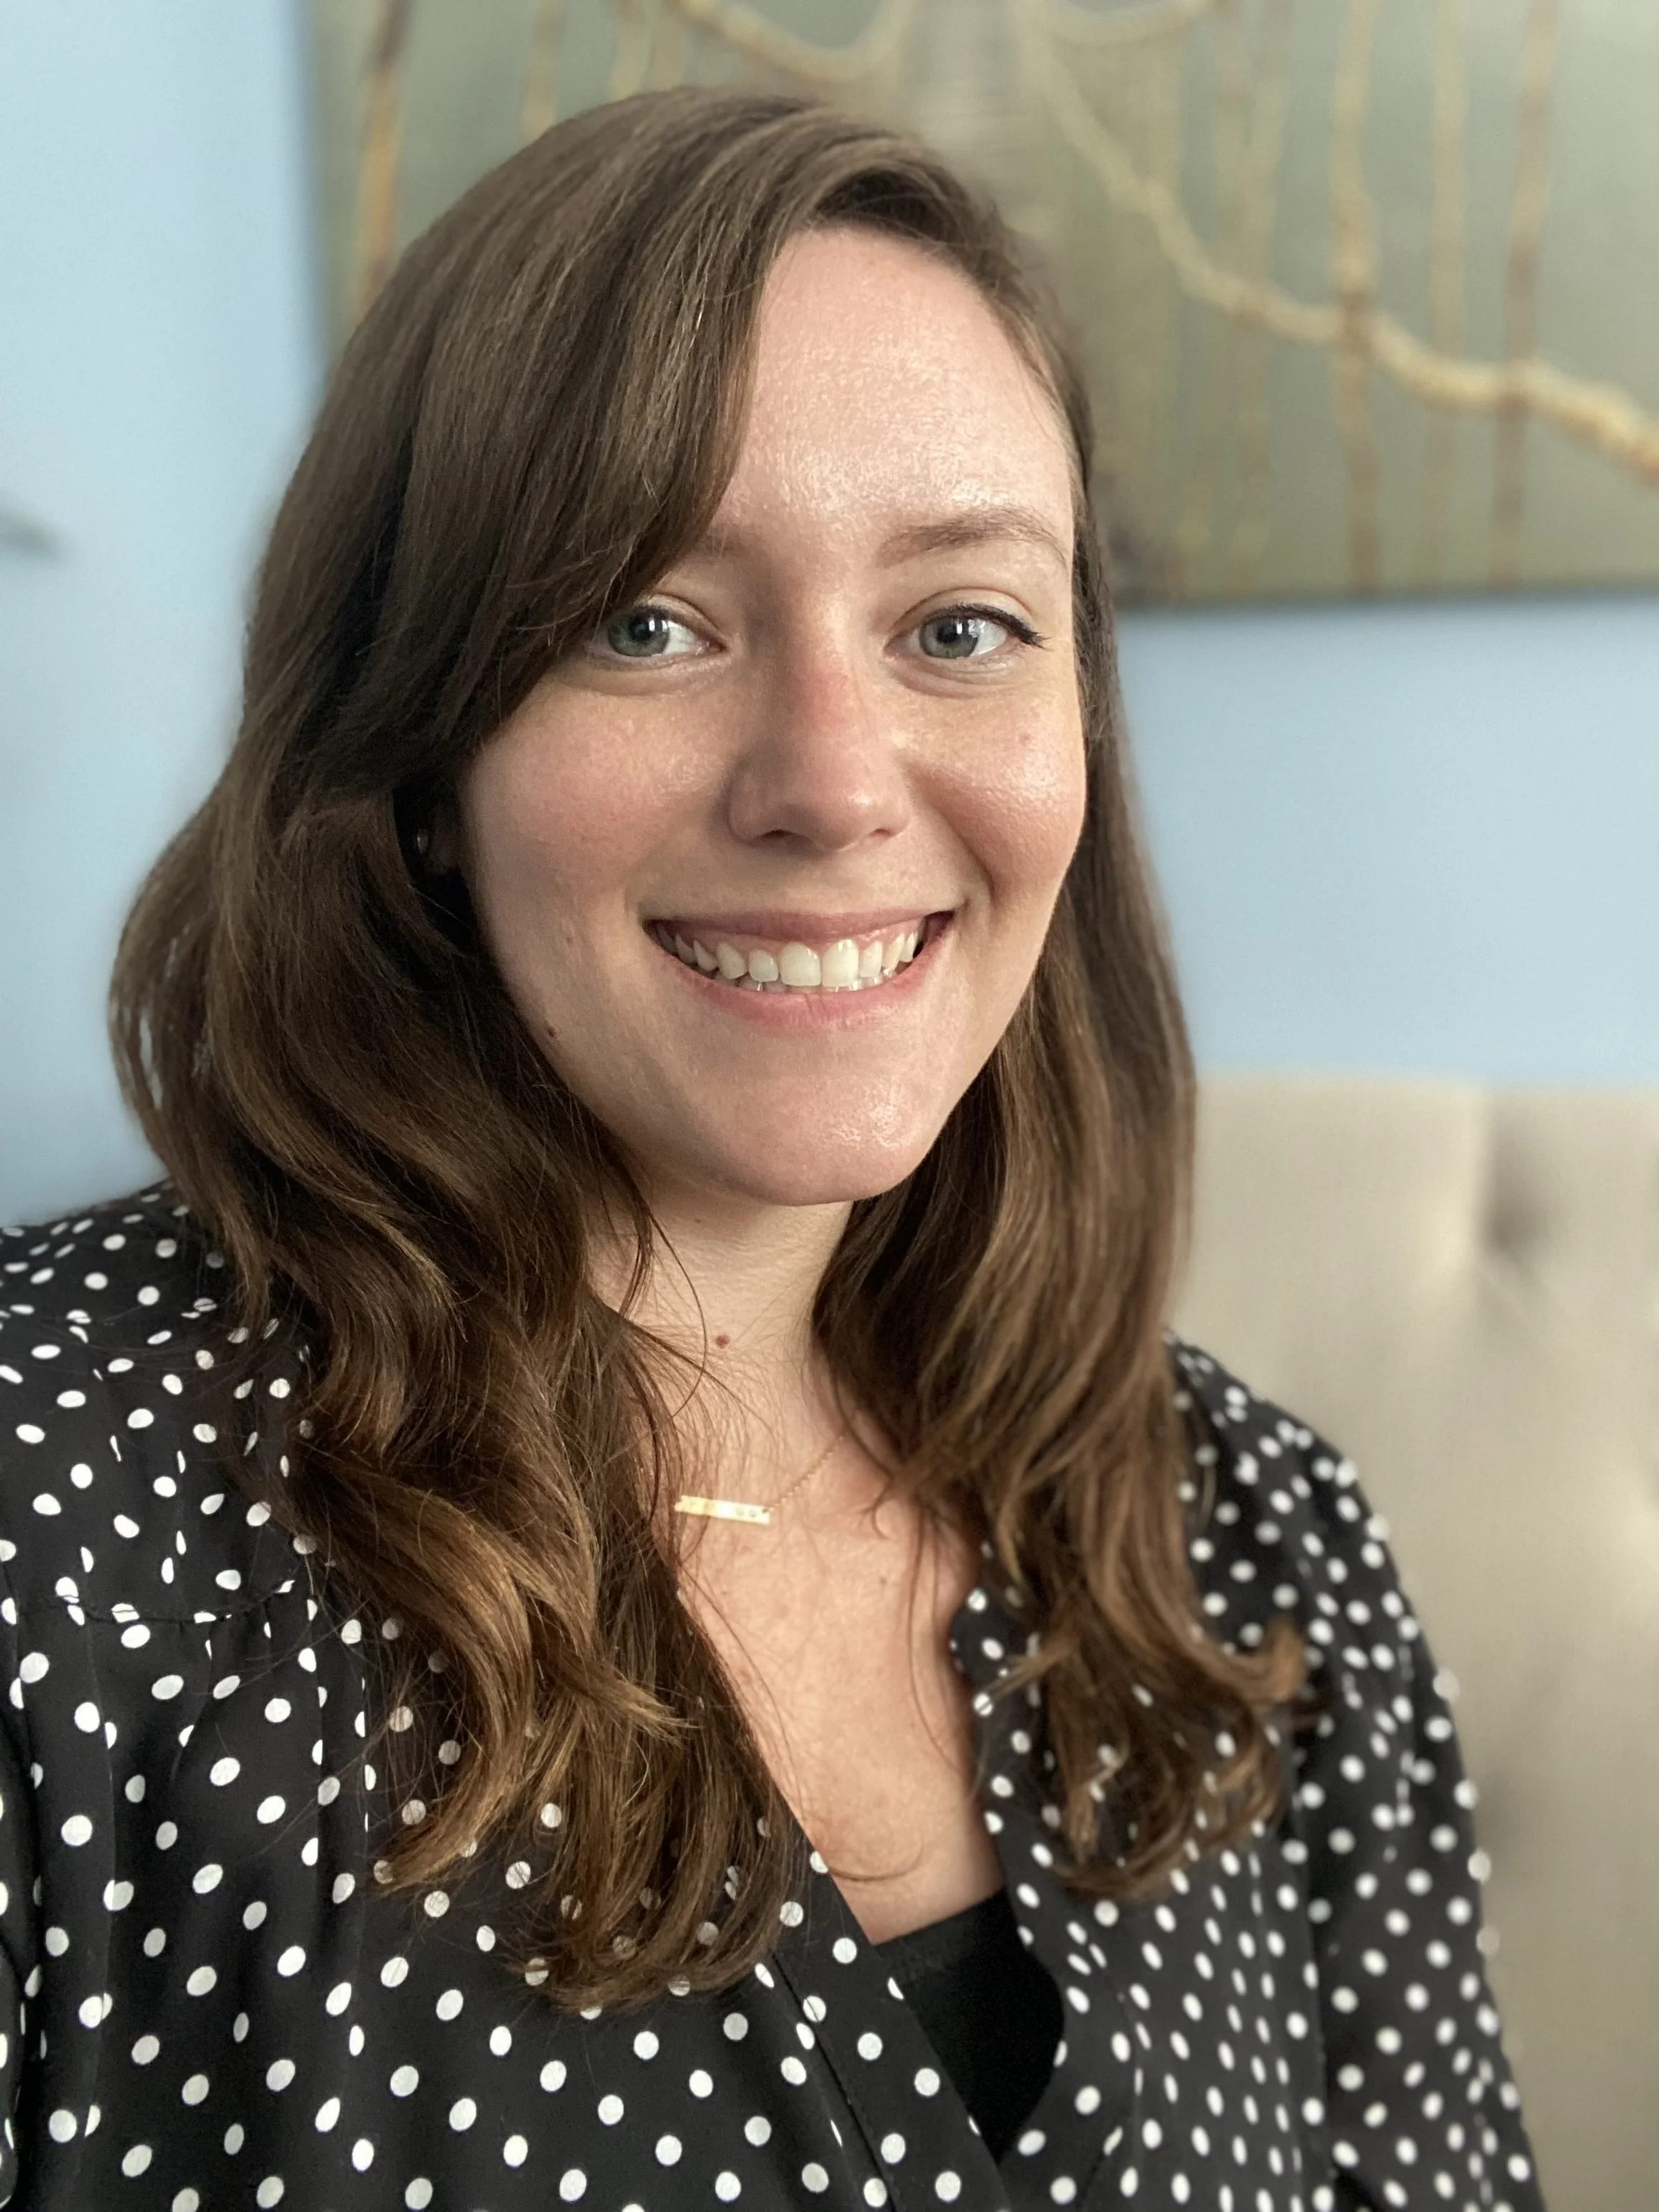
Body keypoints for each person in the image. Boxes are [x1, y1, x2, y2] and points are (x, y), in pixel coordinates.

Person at [0, 87, 1541, 2212]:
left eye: (958, 626)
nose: (831, 783)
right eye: (647, 620)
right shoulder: (52, 1510)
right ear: (421, 744)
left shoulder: (1252, 1546)